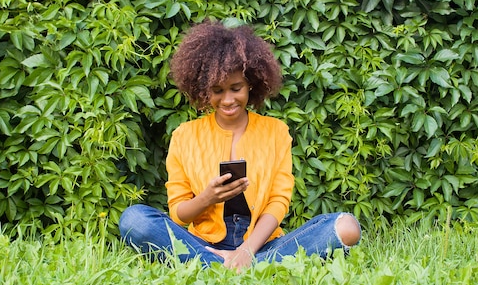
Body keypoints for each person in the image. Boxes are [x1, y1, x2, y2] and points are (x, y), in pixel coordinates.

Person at [119, 20, 361, 270]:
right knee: (134, 219)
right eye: (217, 90)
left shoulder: (275, 132)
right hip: (202, 243)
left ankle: (217, 266)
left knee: (347, 228)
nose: (227, 100)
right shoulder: (185, 136)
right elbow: (178, 214)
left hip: (261, 245)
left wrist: (246, 250)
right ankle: (235, 265)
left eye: (236, 89)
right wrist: (207, 198)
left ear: (251, 85)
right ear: (203, 90)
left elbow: (278, 202)